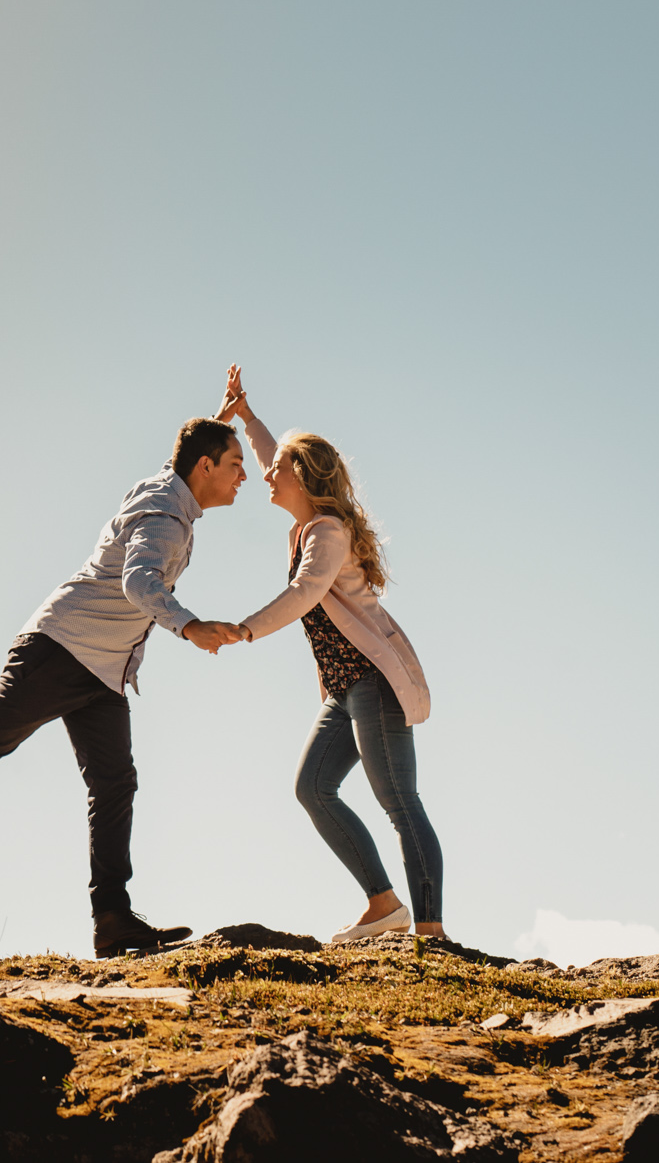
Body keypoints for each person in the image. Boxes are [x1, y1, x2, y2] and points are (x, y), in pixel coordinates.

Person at [0, 414, 250, 958]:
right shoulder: (166, 514)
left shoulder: (170, 495)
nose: (243, 476)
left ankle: (112, 919)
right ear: (205, 466)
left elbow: (181, 459)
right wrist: (189, 625)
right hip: (61, 650)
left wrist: (220, 420)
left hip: (102, 672)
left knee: (114, 785)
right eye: (234, 463)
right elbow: (138, 580)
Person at [217, 365, 447, 942]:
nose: (266, 474)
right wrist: (246, 417)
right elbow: (274, 454)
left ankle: (431, 931)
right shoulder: (305, 524)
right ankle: (384, 905)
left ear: (304, 479)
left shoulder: (327, 531)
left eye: (279, 470)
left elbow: (303, 595)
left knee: (399, 802)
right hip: (344, 690)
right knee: (313, 788)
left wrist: (244, 630)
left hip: (374, 682)